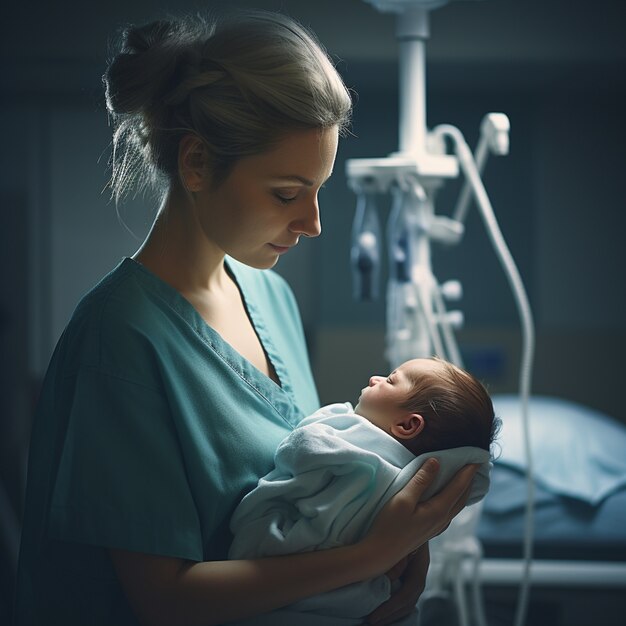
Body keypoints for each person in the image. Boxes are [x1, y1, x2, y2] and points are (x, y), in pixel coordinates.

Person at [14, 10, 480, 626]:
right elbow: (165, 601)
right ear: (197, 163)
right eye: (286, 194)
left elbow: (315, 488)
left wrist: (396, 545)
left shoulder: (271, 298)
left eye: (318, 190)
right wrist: (370, 553)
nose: (313, 223)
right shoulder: (121, 340)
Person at [228, 357, 498, 625]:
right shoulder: (417, 488)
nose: (374, 379)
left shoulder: (358, 455)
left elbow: (302, 448)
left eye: (390, 380)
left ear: (407, 425)